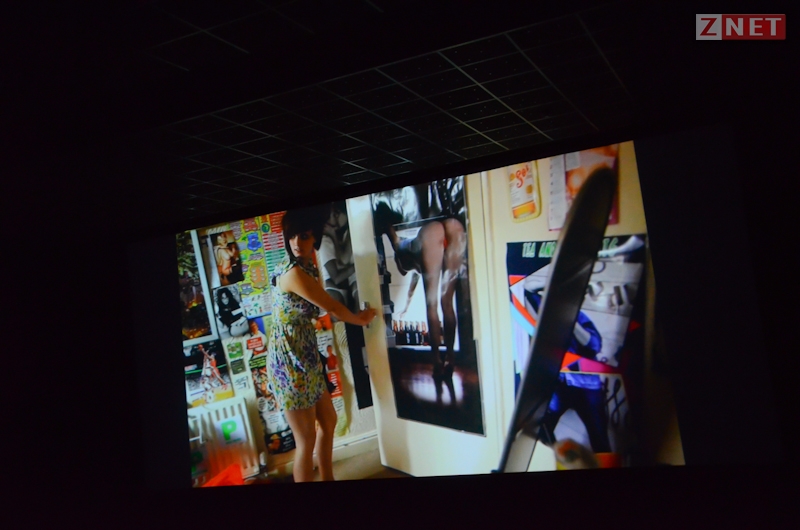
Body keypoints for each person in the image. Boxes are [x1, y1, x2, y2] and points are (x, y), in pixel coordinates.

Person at [266, 208, 376, 482]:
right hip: (288, 363)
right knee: (305, 439)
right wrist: (361, 319)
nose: (296, 243)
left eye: (304, 236)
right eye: (292, 236)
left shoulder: (307, 265)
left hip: (306, 357)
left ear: (314, 237)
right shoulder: (293, 272)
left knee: (328, 421)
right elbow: (333, 307)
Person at [373, 202, 467, 380]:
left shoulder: (399, 249)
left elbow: (407, 268)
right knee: (447, 303)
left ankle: (437, 361)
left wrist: (387, 228)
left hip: (430, 234)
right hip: (453, 226)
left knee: (432, 305)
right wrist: (407, 305)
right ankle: (451, 359)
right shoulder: (410, 253)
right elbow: (417, 274)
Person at [318, 201, 357, 312]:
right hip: (335, 287)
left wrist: (334, 235)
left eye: (337, 214)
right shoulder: (326, 240)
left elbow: (343, 259)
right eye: (330, 216)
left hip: (347, 286)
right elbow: (337, 275)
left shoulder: (350, 231)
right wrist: (357, 267)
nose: (333, 220)